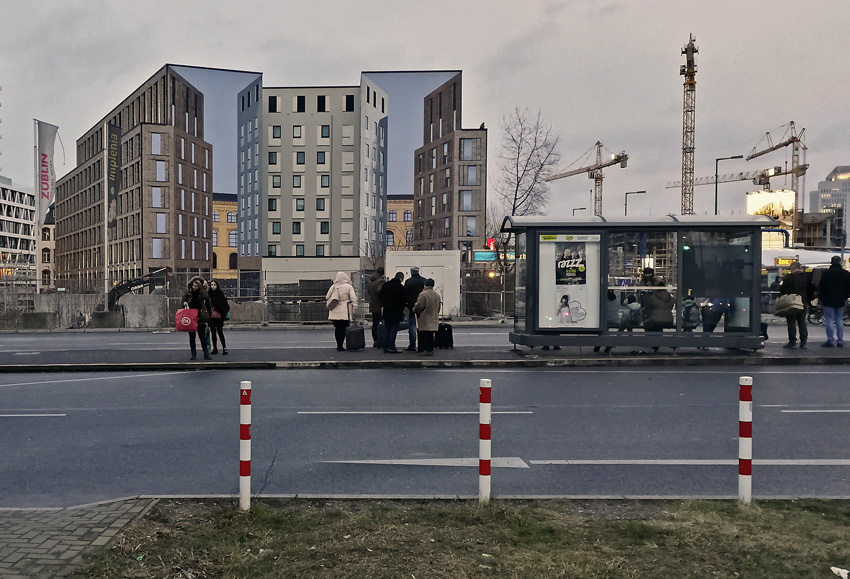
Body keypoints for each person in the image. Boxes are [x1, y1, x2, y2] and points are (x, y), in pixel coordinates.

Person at [779, 261, 816, 349]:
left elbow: (782, 290)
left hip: (791, 303)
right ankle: (803, 342)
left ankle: (792, 342)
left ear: (792, 268)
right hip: (803, 302)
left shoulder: (788, 278)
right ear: (799, 268)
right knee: (802, 322)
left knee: (791, 322)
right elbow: (811, 290)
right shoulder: (806, 277)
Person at [817, 255, 850, 348]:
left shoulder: (826, 273)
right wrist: (845, 297)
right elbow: (848, 287)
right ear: (840, 262)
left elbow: (821, 286)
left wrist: (821, 297)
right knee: (839, 320)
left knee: (829, 320)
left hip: (828, 300)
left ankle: (830, 340)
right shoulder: (846, 273)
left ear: (831, 262)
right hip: (840, 300)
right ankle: (840, 341)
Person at [182, 276, 212, 361]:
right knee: (192, 338)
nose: (194, 287)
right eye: (193, 286)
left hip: (200, 318)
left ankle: (206, 354)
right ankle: (193, 354)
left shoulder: (202, 293)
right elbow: (183, 302)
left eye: (196, 286)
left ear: (199, 286)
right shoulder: (188, 294)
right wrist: (184, 303)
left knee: (202, 337)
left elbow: (208, 303)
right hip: (191, 318)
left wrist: (204, 284)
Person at [326, 271, 357, 352]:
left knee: (337, 329)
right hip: (345, 310)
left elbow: (327, 297)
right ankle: (343, 345)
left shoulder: (333, 287)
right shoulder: (348, 287)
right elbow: (354, 298)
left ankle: (338, 345)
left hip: (335, 310)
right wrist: (354, 309)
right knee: (343, 329)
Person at [379, 272, 406, 354]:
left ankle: (386, 347)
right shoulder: (400, 287)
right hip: (396, 311)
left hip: (387, 310)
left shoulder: (386, 285)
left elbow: (381, 296)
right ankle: (392, 347)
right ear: (401, 278)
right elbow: (403, 300)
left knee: (387, 329)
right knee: (394, 329)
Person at [413, 278, 442, 356]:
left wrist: (414, 309)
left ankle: (425, 350)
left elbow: (419, 305)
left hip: (424, 317)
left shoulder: (423, 294)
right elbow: (439, 307)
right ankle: (430, 349)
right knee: (430, 335)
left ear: (425, 284)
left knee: (423, 335)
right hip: (433, 316)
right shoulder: (437, 295)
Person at [403, 266, 426, 351]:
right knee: (423, 326)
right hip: (423, 306)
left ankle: (412, 345)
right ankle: (423, 345)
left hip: (411, 306)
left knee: (412, 326)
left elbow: (405, 294)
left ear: (411, 272)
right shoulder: (424, 281)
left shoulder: (408, 282)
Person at [208, 279, 230, 355]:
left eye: (214, 285)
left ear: (217, 286)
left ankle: (224, 348)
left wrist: (220, 310)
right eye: (212, 285)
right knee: (213, 333)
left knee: (220, 332)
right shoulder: (209, 294)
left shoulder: (220, 294)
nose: (213, 286)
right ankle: (215, 349)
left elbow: (225, 305)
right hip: (211, 316)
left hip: (219, 316)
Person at [366, 267, 386, 348]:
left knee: (375, 324)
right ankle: (381, 340)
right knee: (383, 323)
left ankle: (375, 340)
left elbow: (368, 292)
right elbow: (379, 291)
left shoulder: (371, 281)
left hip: (373, 304)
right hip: (380, 305)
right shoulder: (381, 281)